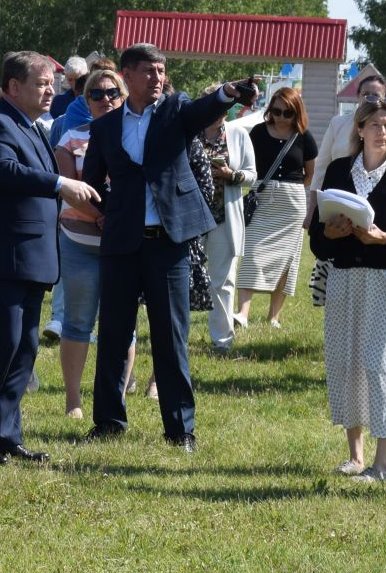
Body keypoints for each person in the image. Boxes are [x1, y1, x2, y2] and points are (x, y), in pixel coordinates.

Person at [81, 44, 254, 449]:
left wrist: (228, 93)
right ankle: (108, 422)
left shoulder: (175, 110)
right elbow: (92, 183)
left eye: (161, 71)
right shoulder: (104, 127)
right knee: (113, 336)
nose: (157, 78)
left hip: (168, 246)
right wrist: (107, 215)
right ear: (126, 74)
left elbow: (202, 111)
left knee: (171, 338)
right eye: (149, 71)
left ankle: (180, 430)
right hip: (122, 244)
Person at [0, 52, 103, 463]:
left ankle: (6, 434)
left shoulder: (33, 127)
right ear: (13, 87)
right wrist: (61, 183)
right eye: (41, 83)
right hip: (1, 260)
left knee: (23, 350)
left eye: (52, 82)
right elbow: (4, 171)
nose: (50, 89)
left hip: (31, 259)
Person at [311, 96, 386, 483]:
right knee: (345, 364)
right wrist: (330, 232)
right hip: (343, 277)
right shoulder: (339, 169)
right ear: (359, 129)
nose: (382, 132)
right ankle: (355, 456)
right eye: (375, 125)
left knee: (380, 366)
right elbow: (318, 241)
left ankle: (383, 462)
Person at [51, 63, 134, 420]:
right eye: (96, 94)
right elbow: (70, 191)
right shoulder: (70, 139)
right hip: (79, 242)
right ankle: (74, 401)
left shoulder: (136, 138)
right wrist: (104, 217)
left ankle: (116, 401)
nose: (105, 99)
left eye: (112, 92)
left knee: (122, 325)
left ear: (123, 96)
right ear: (86, 100)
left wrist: (114, 221)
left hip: (124, 245)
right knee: (78, 321)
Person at [236, 86, 319, 329]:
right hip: (262, 198)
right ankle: (243, 313)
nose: (281, 117)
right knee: (251, 253)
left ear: (297, 113)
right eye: (276, 111)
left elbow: (310, 174)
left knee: (287, 260)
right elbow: (248, 165)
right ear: (269, 109)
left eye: (287, 113)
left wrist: (290, 190)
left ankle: (273, 317)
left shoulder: (304, 136)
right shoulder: (258, 132)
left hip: (291, 205)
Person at [198, 93, 257, 354]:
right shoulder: (189, 132)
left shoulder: (238, 134)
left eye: (225, 108)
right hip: (191, 219)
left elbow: (252, 176)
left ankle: (222, 340)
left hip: (223, 216)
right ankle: (174, 333)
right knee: (183, 278)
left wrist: (231, 175)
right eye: (216, 107)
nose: (221, 113)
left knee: (222, 281)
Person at [319, 72, 386, 162]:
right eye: (366, 94)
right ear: (358, 96)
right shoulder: (337, 123)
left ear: (385, 98)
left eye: (376, 96)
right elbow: (322, 164)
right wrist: (315, 189)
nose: (370, 99)